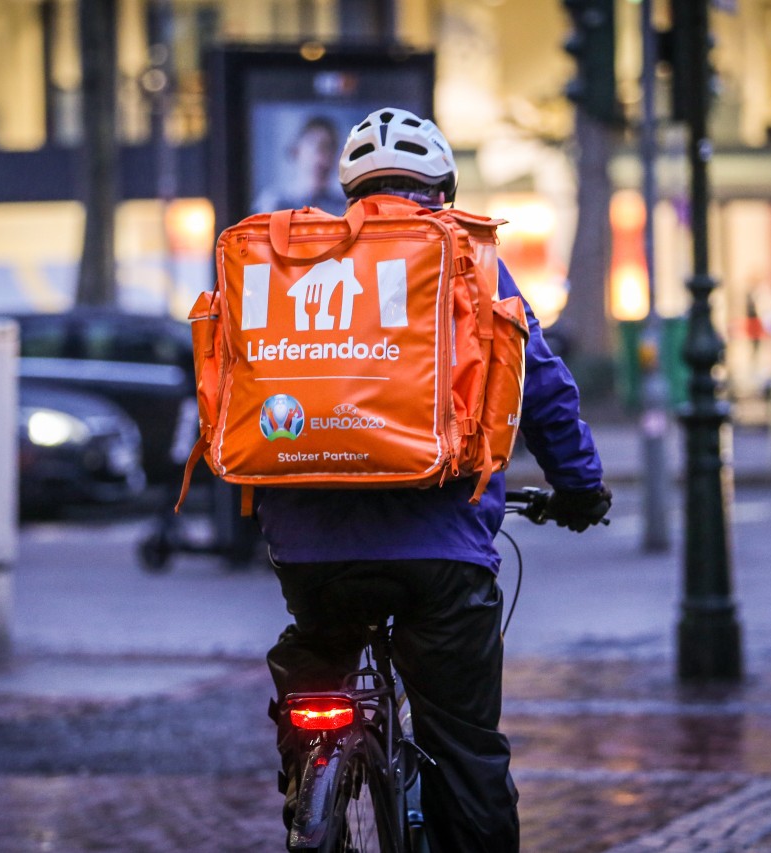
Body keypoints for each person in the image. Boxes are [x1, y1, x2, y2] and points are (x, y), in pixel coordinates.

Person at [258, 107, 612, 853]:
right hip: (442, 557)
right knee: (464, 749)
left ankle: (309, 774)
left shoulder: (296, 263)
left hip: (312, 553)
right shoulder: (470, 260)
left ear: (349, 189)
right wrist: (580, 488)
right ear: (443, 190)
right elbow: (540, 387)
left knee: (315, 660)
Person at [251, 114, 347, 215]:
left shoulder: (345, 205)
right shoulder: (274, 203)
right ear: (296, 151)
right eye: (314, 146)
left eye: (330, 147)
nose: (322, 157)